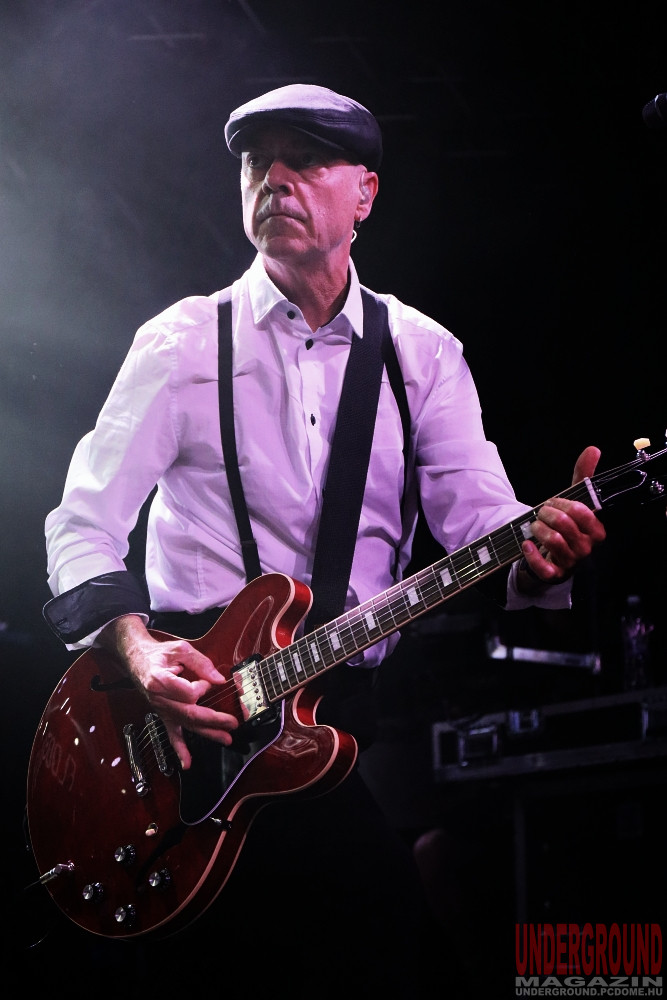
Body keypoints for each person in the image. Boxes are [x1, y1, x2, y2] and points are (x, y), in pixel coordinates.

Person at [39, 84, 606, 997]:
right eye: (257, 163)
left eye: (304, 160)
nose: (275, 179)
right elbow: (82, 524)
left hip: (334, 722)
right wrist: (140, 654)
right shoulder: (182, 342)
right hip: (184, 727)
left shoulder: (421, 352)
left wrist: (543, 551)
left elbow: (485, 526)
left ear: (365, 193)